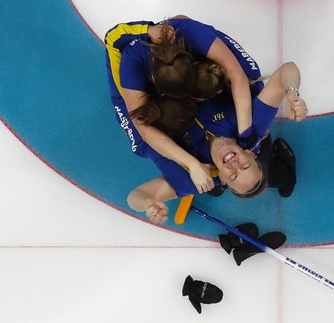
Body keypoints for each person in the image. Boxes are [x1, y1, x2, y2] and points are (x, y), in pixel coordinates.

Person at [128, 61, 307, 223]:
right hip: (261, 146)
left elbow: (136, 196)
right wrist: (292, 93)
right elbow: (288, 69)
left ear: (221, 178)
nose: (235, 165)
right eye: (245, 166)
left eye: (233, 176)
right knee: (270, 174)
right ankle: (284, 178)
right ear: (250, 154)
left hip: (214, 175)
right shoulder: (251, 127)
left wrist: (148, 203)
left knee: (214, 189)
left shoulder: (198, 179)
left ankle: (284, 182)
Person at [104, 17, 262, 194]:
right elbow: (143, 129)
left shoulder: (185, 33)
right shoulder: (132, 64)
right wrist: (192, 164)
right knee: (143, 131)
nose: (235, 165)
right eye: (244, 166)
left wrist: (246, 131)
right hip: (137, 81)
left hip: (182, 44)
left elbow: (181, 19)